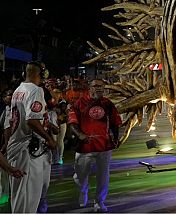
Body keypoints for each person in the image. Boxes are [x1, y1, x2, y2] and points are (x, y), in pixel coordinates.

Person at [6, 63, 56, 214]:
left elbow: (10, 123)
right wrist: (49, 138)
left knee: (20, 196)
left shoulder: (18, 90)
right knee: (29, 198)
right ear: (41, 74)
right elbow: (31, 120)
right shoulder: (35, 90)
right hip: (28, 150)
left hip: (17, 147)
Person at [68, 79, 121, 213]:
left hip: (104, 146)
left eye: (101, 86)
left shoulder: (107, 104)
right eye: (96, 86)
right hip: (85, 147)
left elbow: (115, 122)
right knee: (80, 176)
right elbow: (72, 123)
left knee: (103, 176)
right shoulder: (79, 103)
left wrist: (116, 138)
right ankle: (83, 189)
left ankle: (99, 202)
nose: (99, 89)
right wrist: (80, 135)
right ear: (89, 88)